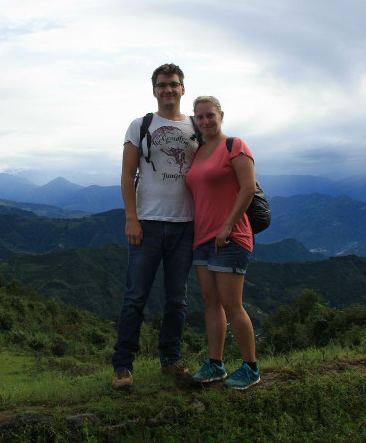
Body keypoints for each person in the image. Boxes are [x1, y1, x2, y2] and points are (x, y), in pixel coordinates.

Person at [111, 63, 199, 390]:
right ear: (154, 90)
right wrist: (131, 219)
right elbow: (127, 175)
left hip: (186, 224)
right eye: (162, 85)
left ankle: (171, 360)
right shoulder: (141, 125)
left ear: (183, 89)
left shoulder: (196, 127)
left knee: (177, 299)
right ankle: (122, 366)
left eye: (173, 84)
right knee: (135, 296)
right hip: (147, 223)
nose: (168, 89)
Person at [185, 95, 261, 390]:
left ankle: (250, 367)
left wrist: (227, 226)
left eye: (210, 115)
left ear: (221, 115)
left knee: (232, 304)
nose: (205, 121)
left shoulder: (235, 145)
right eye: (200, 117)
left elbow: (248, 188)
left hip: (230, 237)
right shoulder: (198, 152)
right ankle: (215, 363)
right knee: (210, 301)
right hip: (202, 238)